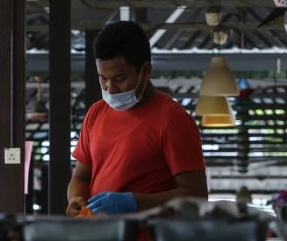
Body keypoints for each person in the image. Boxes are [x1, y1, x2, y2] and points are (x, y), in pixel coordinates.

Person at [67, 21, 208, 221]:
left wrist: (134, 202)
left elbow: (197, 196)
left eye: (119, 79)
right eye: (102, 79)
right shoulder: (96, 113)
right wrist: (76, 199)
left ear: (146, 71)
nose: (110, 89)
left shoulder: (173, 121)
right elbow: (81, 176)